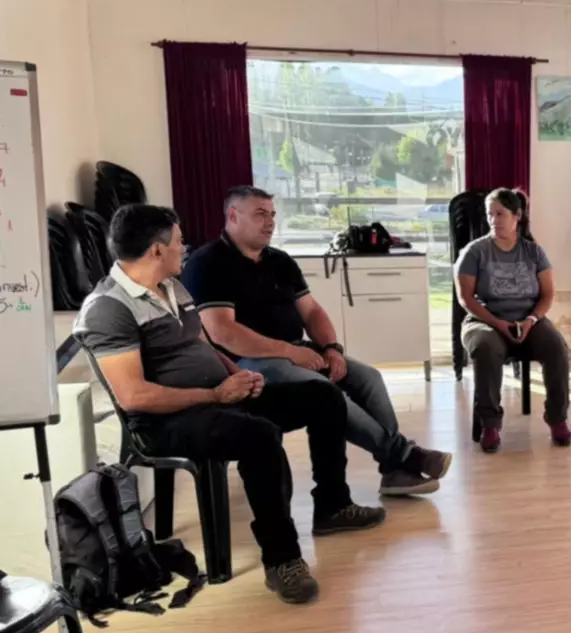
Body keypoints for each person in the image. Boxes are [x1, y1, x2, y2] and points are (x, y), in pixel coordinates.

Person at [74, 205, 387, 605]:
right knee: (259, 435)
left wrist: (237, 374)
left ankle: (332, 504)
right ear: (156, 250)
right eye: (179, 241)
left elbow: (201, 344)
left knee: (322, 395)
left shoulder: (171, 286)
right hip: (166, 420)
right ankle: (282, 560)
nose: (184, 247)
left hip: (218, 395)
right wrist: (216, 395)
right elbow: (135, 396)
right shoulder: (108, 308)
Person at [181, 187, 452, 497]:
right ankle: (402, 456)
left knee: (369, 377)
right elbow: (223, 332)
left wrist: (332, 349)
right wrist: (288, 352)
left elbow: (311, 311)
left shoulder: (279, 261)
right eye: (260, 214)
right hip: (244, 364)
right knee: (326, 393)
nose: (270, 222)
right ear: (233, 216)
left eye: (272, 215)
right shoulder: (207, 263)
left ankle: (394, 469)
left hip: (295, 351)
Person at [455, 188, 571, 453]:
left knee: (556, 348)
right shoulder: (475, 252)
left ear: (517, 216)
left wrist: (531, 319)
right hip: (485, 320)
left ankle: (557, 419)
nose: (494, 220)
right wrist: (497, 323)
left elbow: (548, 294)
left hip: (528, 319)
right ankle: (490, 424)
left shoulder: (533, 252)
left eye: (500, 214)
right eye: (490, 214)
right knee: (485, 348)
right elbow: (466, 298)